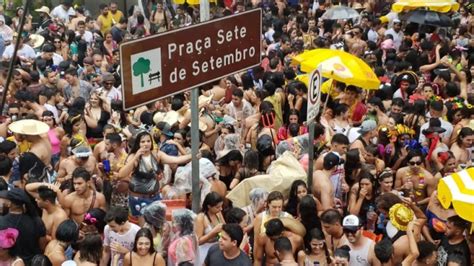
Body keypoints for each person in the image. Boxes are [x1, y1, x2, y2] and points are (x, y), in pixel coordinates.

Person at [0, 188, 46, 265]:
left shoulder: (1, 222)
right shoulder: (36, 221)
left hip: (12, 262)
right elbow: (42, 246)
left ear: (10, 203)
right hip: (32, 262)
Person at [196, 192, 225, 266]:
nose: (221, 209)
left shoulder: (218, 213)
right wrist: (213, 232)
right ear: (209, 206)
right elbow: (198, 241)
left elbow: (225, 227)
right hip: (205, 250)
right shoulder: (201, 217)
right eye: (217, 207)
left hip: (218, 248)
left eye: (221, 206)